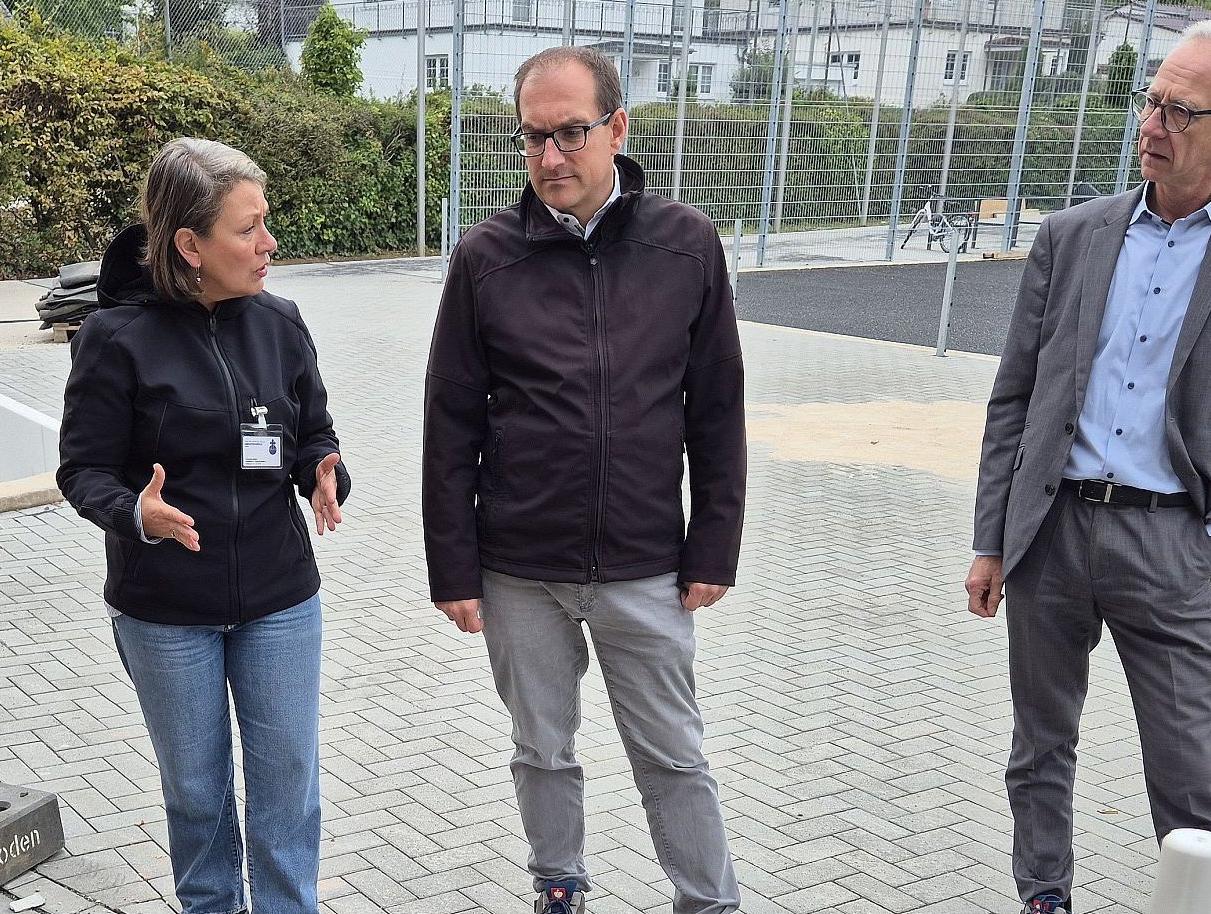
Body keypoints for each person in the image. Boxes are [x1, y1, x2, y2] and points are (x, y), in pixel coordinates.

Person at [966, 19, 1211, 914]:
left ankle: (1208, 900)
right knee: (1038, 748)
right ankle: (1042, 898)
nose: (1152, 124)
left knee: (1186, 767)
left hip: (1169, 543)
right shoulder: (1073, 234)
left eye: (1180, 109)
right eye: (1149, 101)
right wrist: (991, 539)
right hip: (1049, 535)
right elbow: (1016, 399)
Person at [421, 46, 746, 914]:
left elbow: (716, 410)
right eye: (532, 137)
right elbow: (449, 425)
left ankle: (708, 901)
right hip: (519, 567)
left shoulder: (686, 246)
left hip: (647, 565)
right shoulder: (486, 259)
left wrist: (713, 545)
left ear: (618, 127)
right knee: (541, 750)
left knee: (674, 755)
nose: (550, 157)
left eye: (570, 132)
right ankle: (557, 884)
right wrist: (453, 568)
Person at [58, 137, 351, 914]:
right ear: (190, 245)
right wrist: (135, 514)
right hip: (165, 610)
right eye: (248, 228)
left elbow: (310, 431)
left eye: (266, 222)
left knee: (288, 788)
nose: (269, 243)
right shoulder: (112, 339)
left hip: (280, 598)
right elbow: (82, 471)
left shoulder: (281, 324)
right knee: (197, 797)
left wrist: (322, 469)